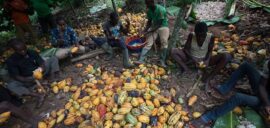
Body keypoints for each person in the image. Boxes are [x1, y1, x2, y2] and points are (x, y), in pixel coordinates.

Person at [189, 60, 270, 128]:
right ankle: (225, 88)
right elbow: (262, 85)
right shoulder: (269, 63)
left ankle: (208, 117)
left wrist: (266, 106)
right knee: (246, 65)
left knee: (239, 97)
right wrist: (267, 104)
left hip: (264, 103)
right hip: (266, 95)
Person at [171, 22, 231, 87]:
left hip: (204, 59)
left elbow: (210, 51)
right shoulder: (191, 35)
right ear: (195, 33)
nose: (200, 38)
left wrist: (207, 60)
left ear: (206, 33)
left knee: (226, 56)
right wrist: (193, 58)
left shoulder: (211, 37)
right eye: (198, 35)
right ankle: (186, 69)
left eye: (202, 35)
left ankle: (209, 77)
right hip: (190, 58)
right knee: (173, 51)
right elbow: (186, 49)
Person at [6, 38, 60, 108]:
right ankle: (39, 96)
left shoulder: (32, 52)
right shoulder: (11, 61)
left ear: (25, 46)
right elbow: (16, 76)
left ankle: (53, 79)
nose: (23, 52)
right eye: (20, 51)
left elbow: (42, 63)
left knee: (53, 58)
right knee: (11, 85)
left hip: (40, 73)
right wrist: (27, 79)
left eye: (24, 49)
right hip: (27, 79)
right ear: (14, 50)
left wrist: (41, 69)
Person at [134, 0, 170, 67]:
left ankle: (162, 61)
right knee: (148, 42)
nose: (146, 5)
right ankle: (141, 60)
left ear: (152, 2)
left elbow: (159, 24)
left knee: (164, 42)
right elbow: (149, 22)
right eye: (146, 3)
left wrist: (148, 31)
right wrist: (144, 31)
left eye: (147, 3)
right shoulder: (149, 10)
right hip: (154, 26)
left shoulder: (161, 10)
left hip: (163, 26)